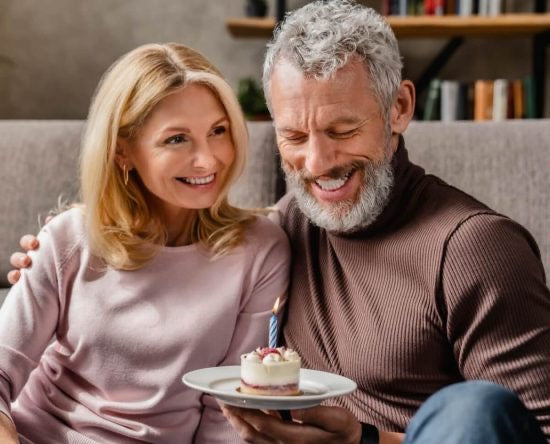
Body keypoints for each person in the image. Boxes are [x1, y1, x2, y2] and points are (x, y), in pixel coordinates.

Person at [8, 2, 550, 444]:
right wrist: (74, 242)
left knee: (475, 407)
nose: (317, 163)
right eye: (294, 136)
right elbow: (182, 253)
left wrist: (363, 441)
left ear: (400, 108)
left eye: (342, 129)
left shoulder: (475, 247)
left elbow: (519, 432)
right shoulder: (287, 226)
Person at [1, 42, 289, 443]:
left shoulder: (261, 251)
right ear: (123, 152)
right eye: (177, 139)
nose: (208, 160)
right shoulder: (69, 238)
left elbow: (227, 420)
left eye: (218, 131)